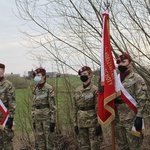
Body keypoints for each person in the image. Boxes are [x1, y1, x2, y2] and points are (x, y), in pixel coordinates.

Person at [114, 53, 148, 150]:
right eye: (119, 62)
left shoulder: (136, 78)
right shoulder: (115, 79)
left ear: (130, 64)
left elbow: (142, 98)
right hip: (118, 119)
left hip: (132, 118)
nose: (120, 64)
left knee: (135, 146)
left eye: (123, 62)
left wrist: (139, 116)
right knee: (121, 146)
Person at [73, 66, 103, 150]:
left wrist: (99, 124)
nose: (83, 76)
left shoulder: (95, 90)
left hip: (92, 122)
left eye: (85, 74)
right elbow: (75, 108)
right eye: (81, 74)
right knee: (84, 146)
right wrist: (75, 124)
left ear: (90, 75)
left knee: (95, 145)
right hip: (81, 122)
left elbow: (98, 107)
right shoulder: (77, 90)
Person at [32, 67, 56, 150]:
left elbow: (52, 106)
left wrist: (52, 121)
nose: (36, 77)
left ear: (44, 76)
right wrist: (33, 120)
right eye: (35, 75)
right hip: (38, 118)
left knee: (50, 143)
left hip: (47, 118)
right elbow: (33, 105)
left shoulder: (49, 88)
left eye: (38, 75)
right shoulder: (35, 89)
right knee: (40, 143)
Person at [0, 63, 16, 150]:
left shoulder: (8, 84)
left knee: (6, 141)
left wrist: (11, 117)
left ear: (3, 71)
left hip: (5, 117)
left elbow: (12, 102)